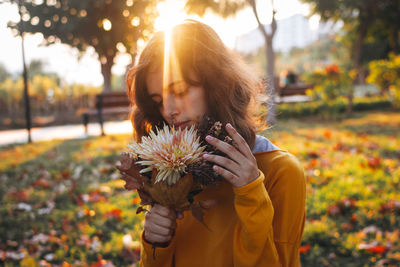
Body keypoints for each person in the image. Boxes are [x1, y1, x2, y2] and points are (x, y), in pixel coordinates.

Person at [126, 19, 306, 267]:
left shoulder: (281, 172)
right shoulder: (168, 171)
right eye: (158, 101)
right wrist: (156, 243)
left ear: (216, 85)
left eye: (179, 92)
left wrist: (251, 193)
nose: (168, 111)